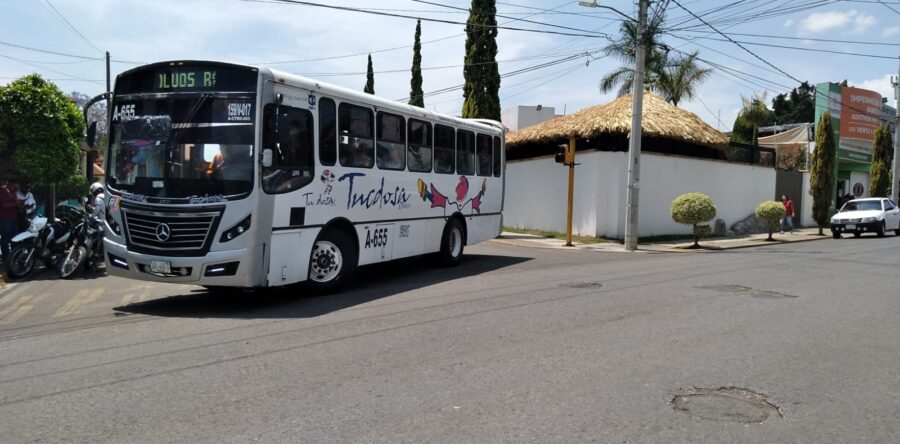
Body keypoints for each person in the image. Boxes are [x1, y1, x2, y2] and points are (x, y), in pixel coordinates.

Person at [0, 180, 20, 263]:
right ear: (13, 183)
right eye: (18, 184)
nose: (18, 187)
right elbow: (5, 205)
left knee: (15, 238)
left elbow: (14, 204)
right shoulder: (4, 191)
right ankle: (5, 257)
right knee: (5, 238)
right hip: (5, 219)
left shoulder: (13, 192)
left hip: (13, 218)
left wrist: (21, 205)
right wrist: (16, 204)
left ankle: (14, 256)